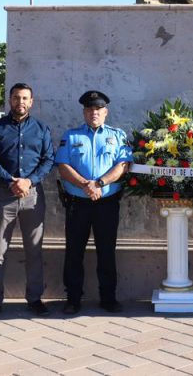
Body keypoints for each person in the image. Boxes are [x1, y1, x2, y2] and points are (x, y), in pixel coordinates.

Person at [0, 83, 54, 319]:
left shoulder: (41, 129)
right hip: (4, 195)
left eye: (24, 98)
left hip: (32, 196)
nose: (20, 102)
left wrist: (28, 182)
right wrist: (10, 180)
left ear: (31, 102)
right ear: (9, 100)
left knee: (34, 251)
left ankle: (34, 299)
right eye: (15, 98)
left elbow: (48, 159)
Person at [55, 90, 133, 315]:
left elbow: (123, 165)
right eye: (89, 110)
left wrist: (99, 183)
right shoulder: (71, 136)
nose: (93, 113)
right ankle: (72, 298)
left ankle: (108, 298)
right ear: (84, 112)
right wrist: (85, 185)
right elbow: (63, 166)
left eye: (97, 109)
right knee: (74, 251)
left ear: (105, 112)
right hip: (78, 203)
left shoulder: (118, 135)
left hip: (106, 203)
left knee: (106, 251)